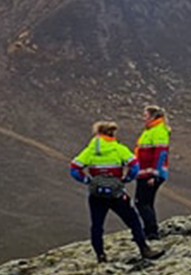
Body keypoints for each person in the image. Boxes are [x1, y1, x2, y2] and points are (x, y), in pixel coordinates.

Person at [70, 121, 162, 263]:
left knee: (97, 225)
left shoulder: (90, 151)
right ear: (112, 134)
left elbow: (74, 168)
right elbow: (134, 166)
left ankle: (101, 256)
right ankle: (144, 249)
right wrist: (125, 179)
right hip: (116, 193)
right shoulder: (119, 149)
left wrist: (88, 181)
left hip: (96, 195)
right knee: (133, 221)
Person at [134, 105, 171, 240]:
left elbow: (160, 154)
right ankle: (149, 230)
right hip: (145, 172)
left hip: (149, 173)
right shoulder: (150, 131)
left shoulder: (158, 131)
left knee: (142, 202)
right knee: (146, 202)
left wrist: (154, 174)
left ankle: (151, 232)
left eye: (145, 115)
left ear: (152, 116)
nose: (143, 118)